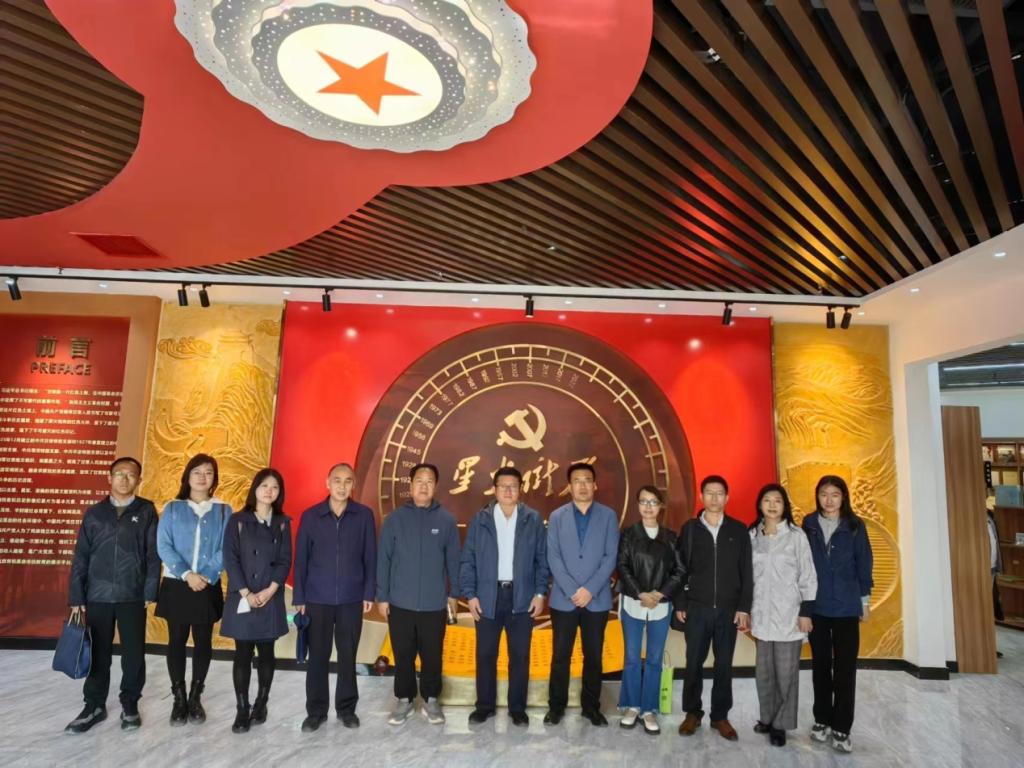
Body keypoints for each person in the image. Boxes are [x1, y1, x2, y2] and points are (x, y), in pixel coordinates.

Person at [64, 457, 160, 733]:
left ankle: (130, 703)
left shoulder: (146, 511)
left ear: (139, 480)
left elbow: (153, 555)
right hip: (97, 594)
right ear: (109, 478)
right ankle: (94, 705)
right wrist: (76, 596)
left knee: (133, 654)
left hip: (133, 594)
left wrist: (150, 590)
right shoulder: (94, 513)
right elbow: (81, 556)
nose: (124, 479)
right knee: (98, 653)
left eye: (131, 475)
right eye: (119, 474)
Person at [459, 467, 549, 727]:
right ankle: (484, 706)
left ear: (520, 489)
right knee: (485, 654)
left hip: (522, 596)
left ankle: (517, 709)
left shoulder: (532, 519)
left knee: (519, 656)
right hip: (488, 596)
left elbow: (542, 560)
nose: (508, 491)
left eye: (513, 486)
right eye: (503, 486)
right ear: (494, 489)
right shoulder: (481, 519)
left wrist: (540, 593)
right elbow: (468, 560)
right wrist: (471, 595)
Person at [293, 463, 377, 732]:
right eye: (337, 480)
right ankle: (316, 711)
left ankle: (346, 709)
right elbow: (301, 559)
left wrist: (368, 591)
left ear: (354, 485)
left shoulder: (363, 515)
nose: (342, 486)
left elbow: (370, 557)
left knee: (347, 655)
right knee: (318, 656)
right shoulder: (311, 516)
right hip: (317, 598)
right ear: (327, 483)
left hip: (352, 598)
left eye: (348, 481)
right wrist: (300, 596)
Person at [377, 463, 460, 726]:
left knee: (432, 655)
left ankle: (431, 700)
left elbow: (453, 562)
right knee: (403, 654)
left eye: (429, 481)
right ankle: (404, 700)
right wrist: (382, 597)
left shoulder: (446, 520)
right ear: (411, 485)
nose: (424, 486)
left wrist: (454, 594)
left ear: (436, 486)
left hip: (434, 604)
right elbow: (384, 561)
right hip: (400, 602)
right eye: (419, 481)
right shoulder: (394, 520)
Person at [155, 453, 232, 726]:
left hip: (207, 584)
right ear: (187, 476)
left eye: (208, 472)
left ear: (214, 479)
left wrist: (207, 575)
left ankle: (196, 696)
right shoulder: (172, 508)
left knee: (203, 640)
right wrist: (187, 574)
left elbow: (227, 547)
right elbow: (163, 545)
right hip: (178, 583)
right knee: (176, 640)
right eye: (197, 472)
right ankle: (179, 698)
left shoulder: (224, 510)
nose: (202, 477)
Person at [674, 475, 752, 741]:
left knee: (724, 664)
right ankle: (692, 713)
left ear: (727, 498)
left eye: (720, 493)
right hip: (697, 608)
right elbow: (679, 569)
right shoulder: (690, 529)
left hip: (728, 610)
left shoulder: (738, 530)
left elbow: (747, 572)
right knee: (693, 662)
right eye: (709, 492)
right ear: (701, 496)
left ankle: (720, 716)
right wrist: (681, 602)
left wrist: (744, 607)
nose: (714, 498)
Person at [545, 462, 619, 727]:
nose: (583, 485)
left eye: (587, 480)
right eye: (577, 481)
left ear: (595, 485)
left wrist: (589, 590)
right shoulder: (557, 517)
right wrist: (572, 590)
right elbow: (553, 557)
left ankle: (591, 707)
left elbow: (611, 556)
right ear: (570, 486)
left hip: (596, 600)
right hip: (563, 600)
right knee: (560, 656)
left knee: (594, 657)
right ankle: (556, 707)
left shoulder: (608, 516)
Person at [803, 475, 873, 754]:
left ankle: (842, 727)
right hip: (817, 607)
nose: (829, 500)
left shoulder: (855, 526)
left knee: (845, 669)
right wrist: (803, 606)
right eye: (824, 494)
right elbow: (802, 566)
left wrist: (864, 602)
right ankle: (822, 720)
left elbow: (864, 563)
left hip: (846, 606)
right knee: (820, 666)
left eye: (835, 494)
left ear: (843, 497)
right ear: (817, 496)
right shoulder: (808, 524)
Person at [220, 468, 292, 733]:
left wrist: (270, 591)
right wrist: (246, 593)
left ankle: (261, 703)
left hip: (270, 595)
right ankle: (242, 709)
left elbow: (285, 560)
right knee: (242, 652)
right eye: (264, 486)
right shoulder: (238, 520)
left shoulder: (282, 522)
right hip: (243, 596)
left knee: (267, 652)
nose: (269, 491)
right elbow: (231, 558)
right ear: (255, 489)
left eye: (274, 487)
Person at [748, 484, 817, 747]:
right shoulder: (752, 535)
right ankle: (767, 718)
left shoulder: (796, 536)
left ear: (784, 505)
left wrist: (806, 611)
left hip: (790, 614)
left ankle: (781, 724)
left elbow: (808, 574)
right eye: (767, 500)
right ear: (760, 504)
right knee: (764, 673)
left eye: (777, 500)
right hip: (762, 615)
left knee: (786, 674)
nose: (772, 505)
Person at [616, 486, 685, 735]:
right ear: (637, 505)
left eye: (653, 502)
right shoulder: (628, 534)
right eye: (643, 501)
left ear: (661, 506)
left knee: (655, 659)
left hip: (660, 606)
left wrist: (659, 594)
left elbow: (680, 571)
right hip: (633, 603)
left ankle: (649, 709)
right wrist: (640, 593)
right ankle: (631, 706)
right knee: (632, 657)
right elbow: (622, 566)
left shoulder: (671, 537)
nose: (648, 506)